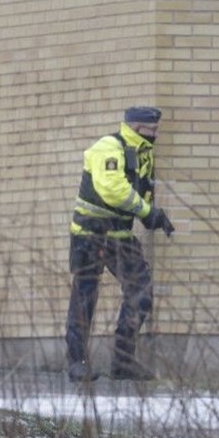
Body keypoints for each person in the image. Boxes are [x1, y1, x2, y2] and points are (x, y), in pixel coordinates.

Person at [65, 106, 175, 382]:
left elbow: (141, 191)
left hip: (120, 236)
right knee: (85, 297)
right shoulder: (108, 146)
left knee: (141, 292)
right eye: (153, 130)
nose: (156, 135)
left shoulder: (143, 155)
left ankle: (123, 362)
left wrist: (153, 215)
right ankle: (77, 363)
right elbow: (112, 189)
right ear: (138, 128)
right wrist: (147, 212)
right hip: (90, 234)